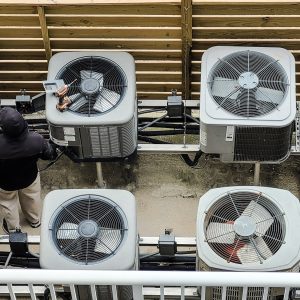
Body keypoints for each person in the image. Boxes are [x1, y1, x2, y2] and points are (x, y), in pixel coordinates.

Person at [0, 107, 57, 233]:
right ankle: (34, 220)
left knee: (8, 204)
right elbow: (49, 155)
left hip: (5, 182)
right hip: (29, 177)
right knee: (32, 198)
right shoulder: (36, 140)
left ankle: (14, 229)